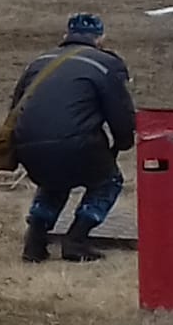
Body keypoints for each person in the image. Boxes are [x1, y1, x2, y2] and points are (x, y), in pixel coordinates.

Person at [14, 14, 134, 264]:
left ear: (66, 35)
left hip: (27, 142)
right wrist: (122, 142)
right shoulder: (106, 64)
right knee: (108, 181)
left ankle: (35, 241)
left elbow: (16, 106)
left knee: (53, 180)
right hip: (76, 143)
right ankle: (76, 240)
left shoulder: (39, 62)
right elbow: (120, 113)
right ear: (100, 38)